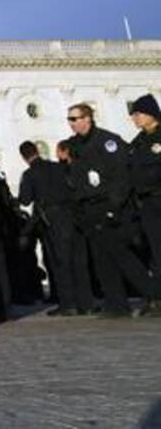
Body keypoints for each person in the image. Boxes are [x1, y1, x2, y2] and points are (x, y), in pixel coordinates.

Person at [66, 102, 161, 317]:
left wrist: (114, 206)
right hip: (88, 206)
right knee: (102, 258)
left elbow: (121, 175)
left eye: (75, 118)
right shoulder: (75, 145)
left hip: (108, 204)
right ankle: (116, 303)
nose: (72, 123)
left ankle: (153, 294)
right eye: (69, 119)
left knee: (120, 254)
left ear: (87, 118)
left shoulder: (107, 141)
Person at [17, 140, 92, 315]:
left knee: (61, 262)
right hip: (72, 215)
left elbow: (25, 200)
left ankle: (69, 304)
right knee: (79, 261)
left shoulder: (29, 174)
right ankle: (87, 302)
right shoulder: (59, 167)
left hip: (53, 220)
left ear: (24, 157)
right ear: (37, 150)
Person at [127, 94, 161, 275]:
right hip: (146, 203)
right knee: (155, 249)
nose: (134, 118)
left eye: (137, 113)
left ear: (150, 114)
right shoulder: (137, 142)